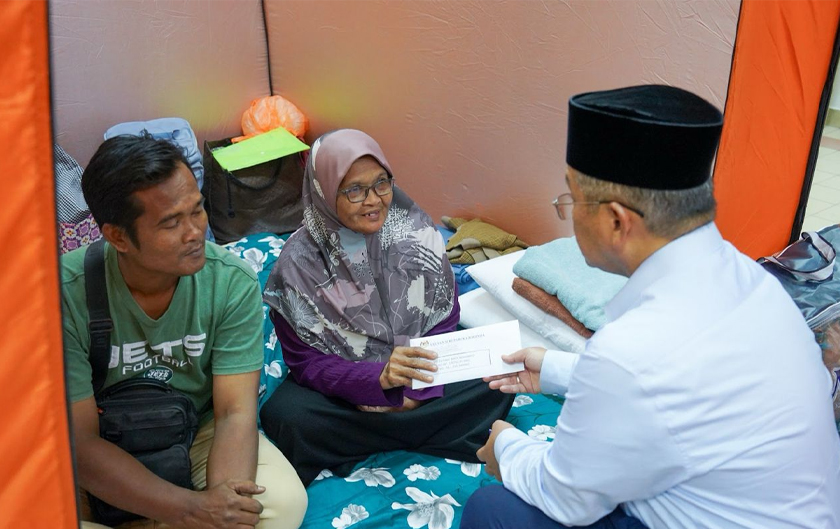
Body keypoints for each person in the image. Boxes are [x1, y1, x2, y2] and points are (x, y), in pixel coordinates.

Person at [461, 85, 840, 529]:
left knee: (493, 511)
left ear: (617, 221)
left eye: (571, 198)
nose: (568, 211)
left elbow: (565, 499)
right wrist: (556, 369)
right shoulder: (752, 282)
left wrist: (506, 447)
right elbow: (685, 386)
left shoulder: (634, 352)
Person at [61, 135, 307, 529]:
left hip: (195, 431)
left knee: (283, 504)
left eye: (197, 211)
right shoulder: (62, 294)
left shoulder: (231, 281)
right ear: (118, 236)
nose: (195, 233)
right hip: (104, 441)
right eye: (172, 222)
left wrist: (224, 509)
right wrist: (189, 510)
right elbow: (81, 443)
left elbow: (233, 413)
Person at [259, 129, 514, 486]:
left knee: (497, 375)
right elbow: (306, 363)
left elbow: (444, 320)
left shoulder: (417, 234)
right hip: (348, 392)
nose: (374, 200)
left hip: (418, 377)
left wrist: (412, 393)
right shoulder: (298, 265)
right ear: (325, 192)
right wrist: (373, 382)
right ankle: (426, 432)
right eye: (354, 190)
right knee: (285, 415)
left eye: (382, 183)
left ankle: (378, 435)